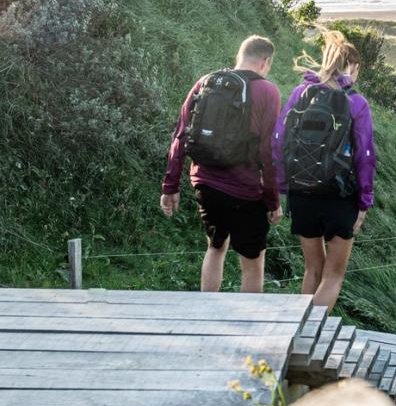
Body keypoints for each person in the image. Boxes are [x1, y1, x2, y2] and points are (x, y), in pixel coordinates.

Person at [160, 36, 283, 293]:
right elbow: (268, 150)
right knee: (252, 262)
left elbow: (181, 135)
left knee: (215, 248)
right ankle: (249, 329)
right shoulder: (268, 91)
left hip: (206, 184)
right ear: (265, 62)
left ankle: (208, 318)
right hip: (246, 191)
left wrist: (171, 185)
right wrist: (273, 200)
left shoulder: (206, 82)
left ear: (240, 55)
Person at [273, 30, 376, 312]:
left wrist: (283, 186)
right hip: (339, 196)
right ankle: (308, 339)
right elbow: (365, 156)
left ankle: (297, 334)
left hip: (302, 193)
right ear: (352, 67)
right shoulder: (356, 102)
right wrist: (365, 201)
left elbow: (279, 140)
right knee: (333, 276)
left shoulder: (300, 93)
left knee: (312, 270)